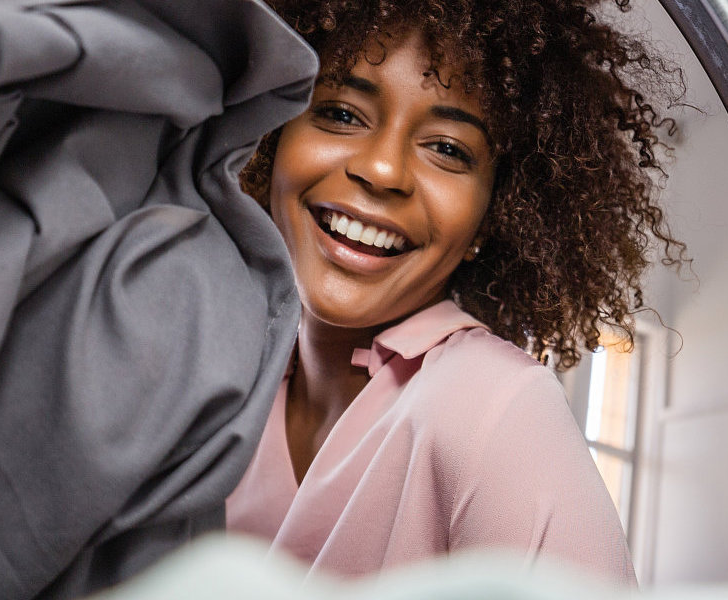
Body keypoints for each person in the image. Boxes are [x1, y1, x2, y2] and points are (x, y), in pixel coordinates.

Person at [225, 0, 682, 584]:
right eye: (341, 113)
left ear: (491, 219)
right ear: (271, 139)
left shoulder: (496, 406)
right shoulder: (225, 379)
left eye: (447, 148)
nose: (383, 170)